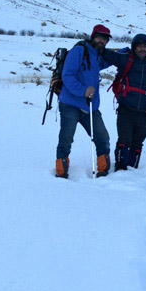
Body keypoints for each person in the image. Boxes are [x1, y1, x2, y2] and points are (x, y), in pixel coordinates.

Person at [55, 24, 114, 178]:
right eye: (100, 37)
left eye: (105, 39)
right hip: (70, 104)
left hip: (90, 107)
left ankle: (103, 171)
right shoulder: (78, 51)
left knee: (102, 137)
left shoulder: (97, 55)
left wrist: (126, 53)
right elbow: (67, 75)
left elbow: (108, 61)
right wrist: (83, 90)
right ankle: (61, 173)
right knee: (66, 139)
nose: (102, 40)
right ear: (93, 36)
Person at [103, 33, 146, 171]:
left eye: (145, 46)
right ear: (134, 48)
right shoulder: (126, 60)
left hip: (144, 113)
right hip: (126, 110)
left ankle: (133, 171)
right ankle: (120, 169)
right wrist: (94, 46)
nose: (142, 49)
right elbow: (108, 55)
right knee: (124, 141)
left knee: (137, 144)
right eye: (139, 46)